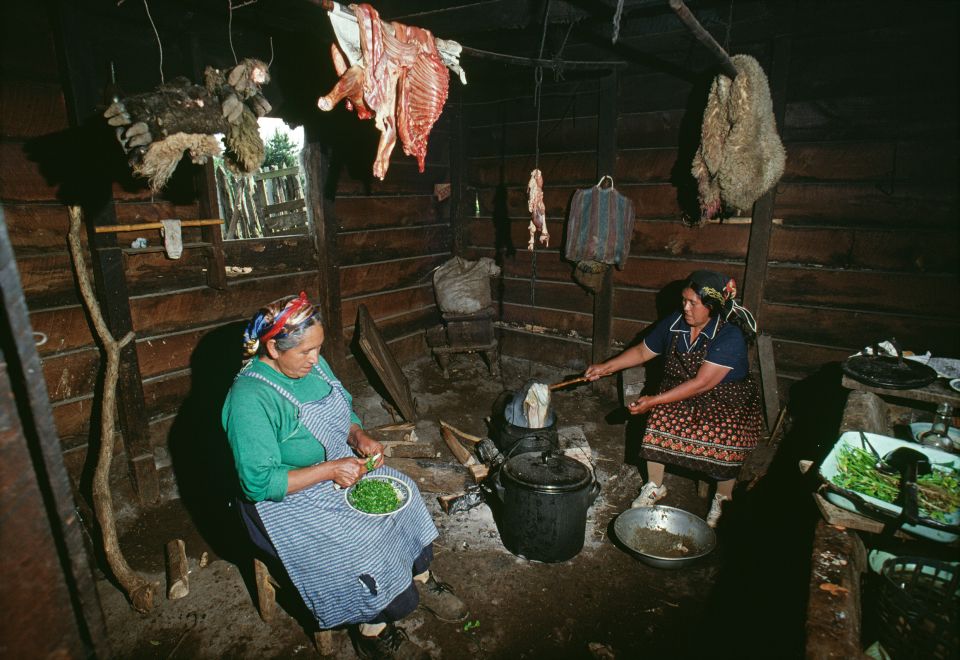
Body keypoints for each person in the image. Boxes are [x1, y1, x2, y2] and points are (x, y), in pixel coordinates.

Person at [222, 292, 467, 659]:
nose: (315, 359)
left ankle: (419, 578)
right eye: (305, 351)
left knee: (406, 494)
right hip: (282, 497)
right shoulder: (250, 397)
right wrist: (329, 470)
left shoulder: (312, 366)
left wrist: (358, 435)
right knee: (359, 542)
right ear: (272, 348)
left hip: (336, 466)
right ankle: (372, 630)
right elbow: (259, 483)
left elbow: (344, 408)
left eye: (318, 348)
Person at [585, 271, 763, 527]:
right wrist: (606, 367)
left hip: (726, 398)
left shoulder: (729, 336)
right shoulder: (675, 322)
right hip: (681, 389)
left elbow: (702, 383)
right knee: (658, 420)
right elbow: (642, 351)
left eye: (693, 303)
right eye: (684, 300)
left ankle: (724, 498)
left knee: (725, 433)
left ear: (712, 307)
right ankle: (655, 485)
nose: (685, 307)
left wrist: (654, 400)